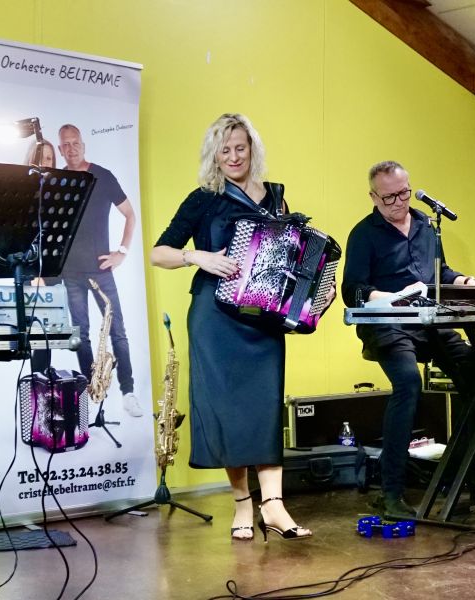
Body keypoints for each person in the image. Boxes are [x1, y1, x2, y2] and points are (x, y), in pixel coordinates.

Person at [151, 113, 333, 541]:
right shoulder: (204, 199)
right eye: (225, 150)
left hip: (263, 320)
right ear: (214, 155)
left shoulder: (276, 199)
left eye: (240, 148)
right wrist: (197, 257)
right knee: (229, 413)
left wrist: (311, 295)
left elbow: (289, 259)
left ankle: (274, 505)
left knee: (264, 409)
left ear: (252, 149)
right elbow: (159, 252)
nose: (233, 157)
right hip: (215, 320)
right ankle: (242, 505)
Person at [341, 160, 475, 518]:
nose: (398, 202)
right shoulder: (363, 234)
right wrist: (394, 297)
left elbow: (441, 272)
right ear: (374, 197)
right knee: (408, 383)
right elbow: (352, 290)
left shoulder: (426, 226)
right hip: (388, 325)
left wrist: (467, 283)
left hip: (429, 322)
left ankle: (467, 478)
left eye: (403, 193)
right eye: (388, 197)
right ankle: (391, 492)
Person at [38, 124, 142, 418]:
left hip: (100, 270)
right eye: (66, 145)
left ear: (83, 145)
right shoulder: (56, 180)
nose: (71, 149)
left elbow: (130, 215)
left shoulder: (103, 176)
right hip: (69, 273)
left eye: (75, 143)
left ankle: (128, 392)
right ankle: (93, 392)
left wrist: (121, 252)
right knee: (80, 335)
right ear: (60, 150)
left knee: (118, 331)